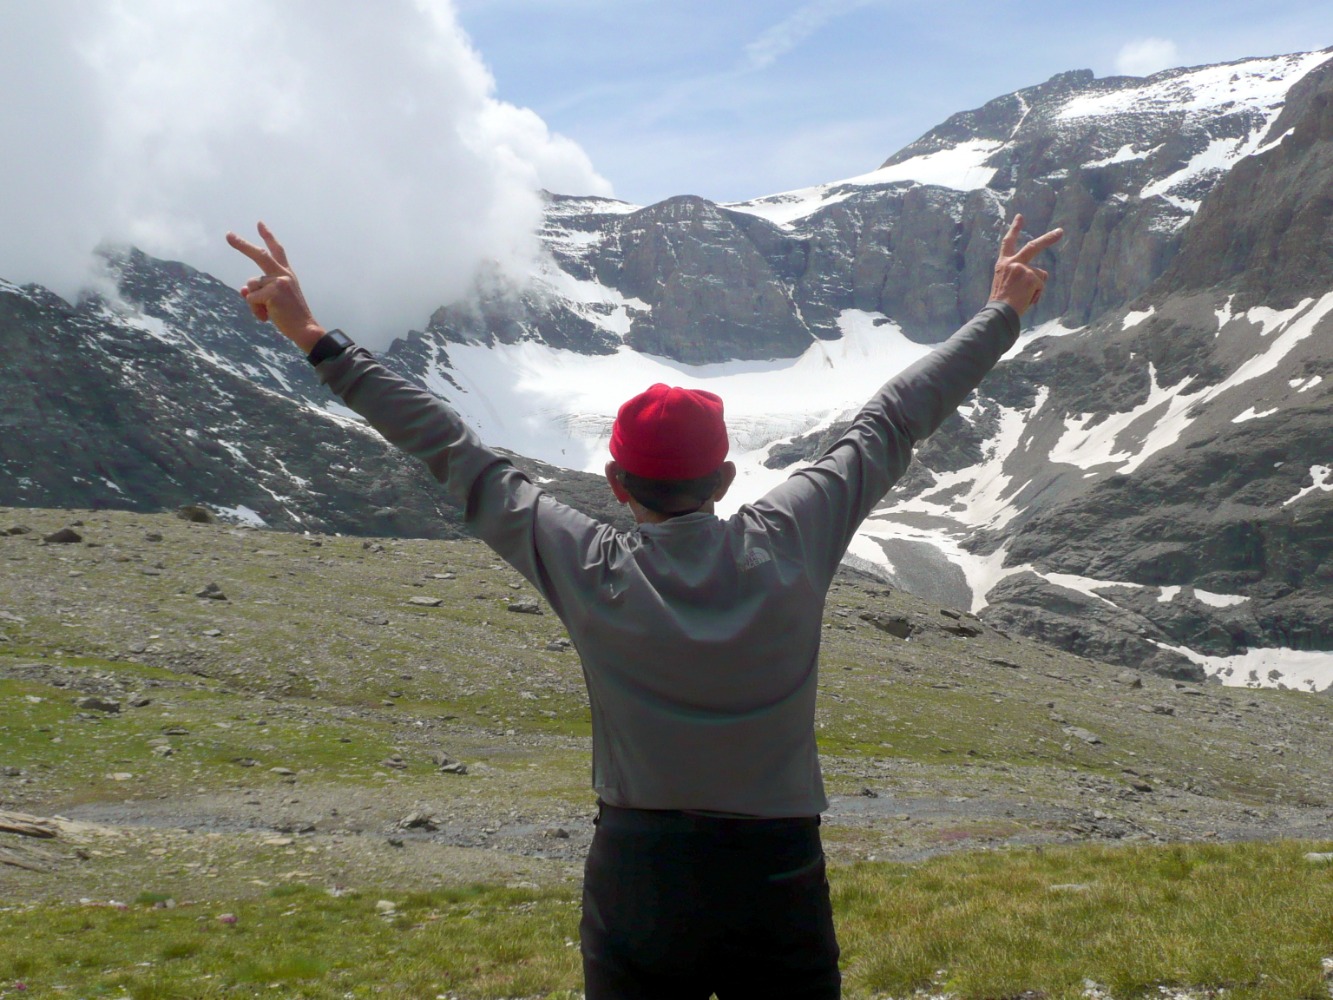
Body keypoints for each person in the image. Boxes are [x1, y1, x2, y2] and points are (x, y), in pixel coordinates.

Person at [228, 214, 1061, 999]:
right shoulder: (791, 535)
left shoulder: (584, 559)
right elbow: (893, 419)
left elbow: (448, 447)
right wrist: (999, 310)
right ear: (726, 478)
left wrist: (313, 336)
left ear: (616, 484)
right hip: (777, 869)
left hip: (639, 870)